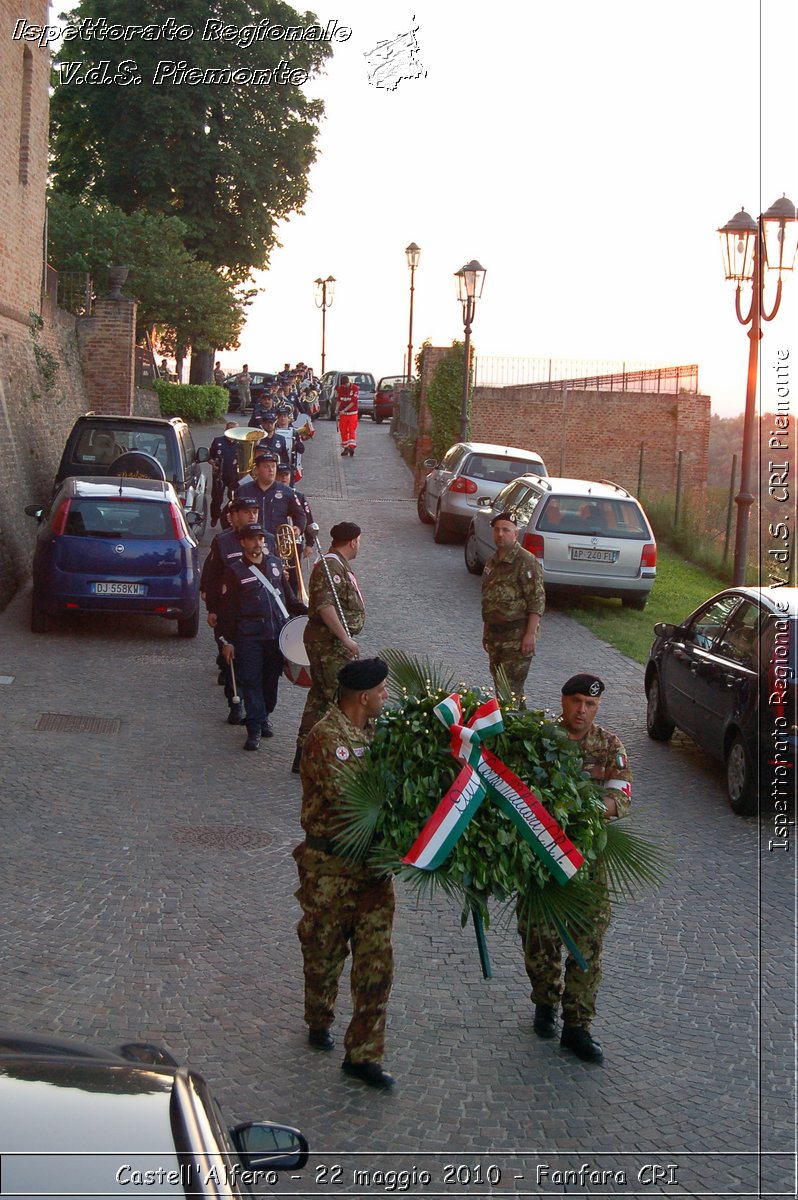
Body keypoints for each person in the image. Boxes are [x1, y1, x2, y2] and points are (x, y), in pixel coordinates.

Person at [517, 673, 633, 1064]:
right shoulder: (541, 740)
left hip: (588, 863)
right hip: (543, 858)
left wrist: (590, 812)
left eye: (590, 705)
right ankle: (545, 1001)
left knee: (589, 943)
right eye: (576, 702)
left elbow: (622, 796)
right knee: (538, 937)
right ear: (563, 701)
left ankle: (578, 1025)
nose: (582, 711)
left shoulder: (609, 746)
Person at [293, 656, 395, 1089]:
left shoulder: (381, 733)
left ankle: (363, 1055)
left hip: (372, 871)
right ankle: (319, 1017)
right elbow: (350, 801)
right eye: (383, 691)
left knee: (376, 963)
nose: (388, 697)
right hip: (329, 869)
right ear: (364, 696)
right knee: (324, 954)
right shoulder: (323, 738)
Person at [218, 525, 306, 751]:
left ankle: (264, 714)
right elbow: (228, 610)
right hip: (249, 636)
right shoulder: (234, 571)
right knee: (251, 681)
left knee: (270, 682)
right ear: (243, 543)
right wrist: (226, 640)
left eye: (260, 538)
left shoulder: (275, 564)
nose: (258, 543)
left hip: (275, 634)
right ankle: (254, 727)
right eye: (252, 539)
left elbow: (287, 597)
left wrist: (308, 611)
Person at [292, 521, 365, 772]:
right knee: (338, 698)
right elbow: (325, 606)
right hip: (329, 646)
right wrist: (345, 638)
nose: (359, 545)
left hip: (331, 643)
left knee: (319, 698)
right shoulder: (329, 566)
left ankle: (305, 754)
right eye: (359, 541)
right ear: (353, 541)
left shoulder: (339, 566)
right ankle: (332, 754)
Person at [201, 497, 275, 724]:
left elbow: (278, 572)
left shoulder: (268, 539)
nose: (252, 515)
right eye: (247, 512)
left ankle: (259, 712)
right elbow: (212, 576)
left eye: (255, 511)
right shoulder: (223, 541)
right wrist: (212, 608)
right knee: (232, 660)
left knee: (261, 668)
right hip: (229, 610)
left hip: (261, 614)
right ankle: (236, 702)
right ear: (234, 516)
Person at [480, 511, 545, 706]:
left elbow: (536, 600)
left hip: (516, 638)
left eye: (506, 530)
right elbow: (489, 599)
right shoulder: (492, 561)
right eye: (497, 530)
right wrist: (486, 632)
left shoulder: (525, 561)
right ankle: (522, 727)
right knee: (504, 688)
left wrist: (530, 634)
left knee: (510, 693)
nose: (500, 534)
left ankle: (509, 731)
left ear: (515, 534)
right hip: (496, 636)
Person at [235, 450, 308, 542]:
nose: (271, 470)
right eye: (266, 467)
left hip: (276, 543)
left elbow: (300, 515)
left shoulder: (287, 492)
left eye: (273, 466)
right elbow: (230, 516)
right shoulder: (243, 491)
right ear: (256, 470)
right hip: (250, 542)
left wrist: (298, 527)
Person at [208, 421, 240, 527]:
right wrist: (214, 464)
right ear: (225, 430)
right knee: (216, 499)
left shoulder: (241, 443)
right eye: (229, 428)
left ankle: (228, 520)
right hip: (219, 475)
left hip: (234, 476)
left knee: (233, 498)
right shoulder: (218, 441)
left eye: (234, 429)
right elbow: (210, 457)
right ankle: (214, 517)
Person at [335, 375, 359, 456]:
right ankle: (346, 448)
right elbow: (339, 400)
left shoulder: (355, 388)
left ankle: (351, 447)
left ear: (348, 382)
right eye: (343, 385)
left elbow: (353, 402)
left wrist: (345, 409)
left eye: (345, 385)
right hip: (343, 414)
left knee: (351, 430)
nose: (344, 386)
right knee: (343, 431)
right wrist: (336, 409)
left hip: (352, 413)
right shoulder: (341, 388)